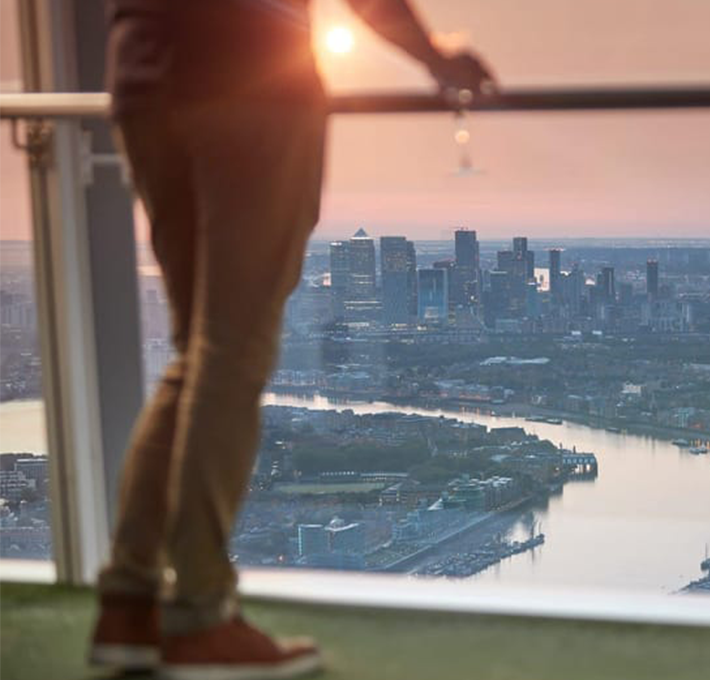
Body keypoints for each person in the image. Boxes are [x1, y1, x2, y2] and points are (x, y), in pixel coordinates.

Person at [88, 1, 493, 678]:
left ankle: (128, 607)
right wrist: (435, 58)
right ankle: (198, 615)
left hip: (141, 75)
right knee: (231, 352)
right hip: (249, 74)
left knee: (199, 354)